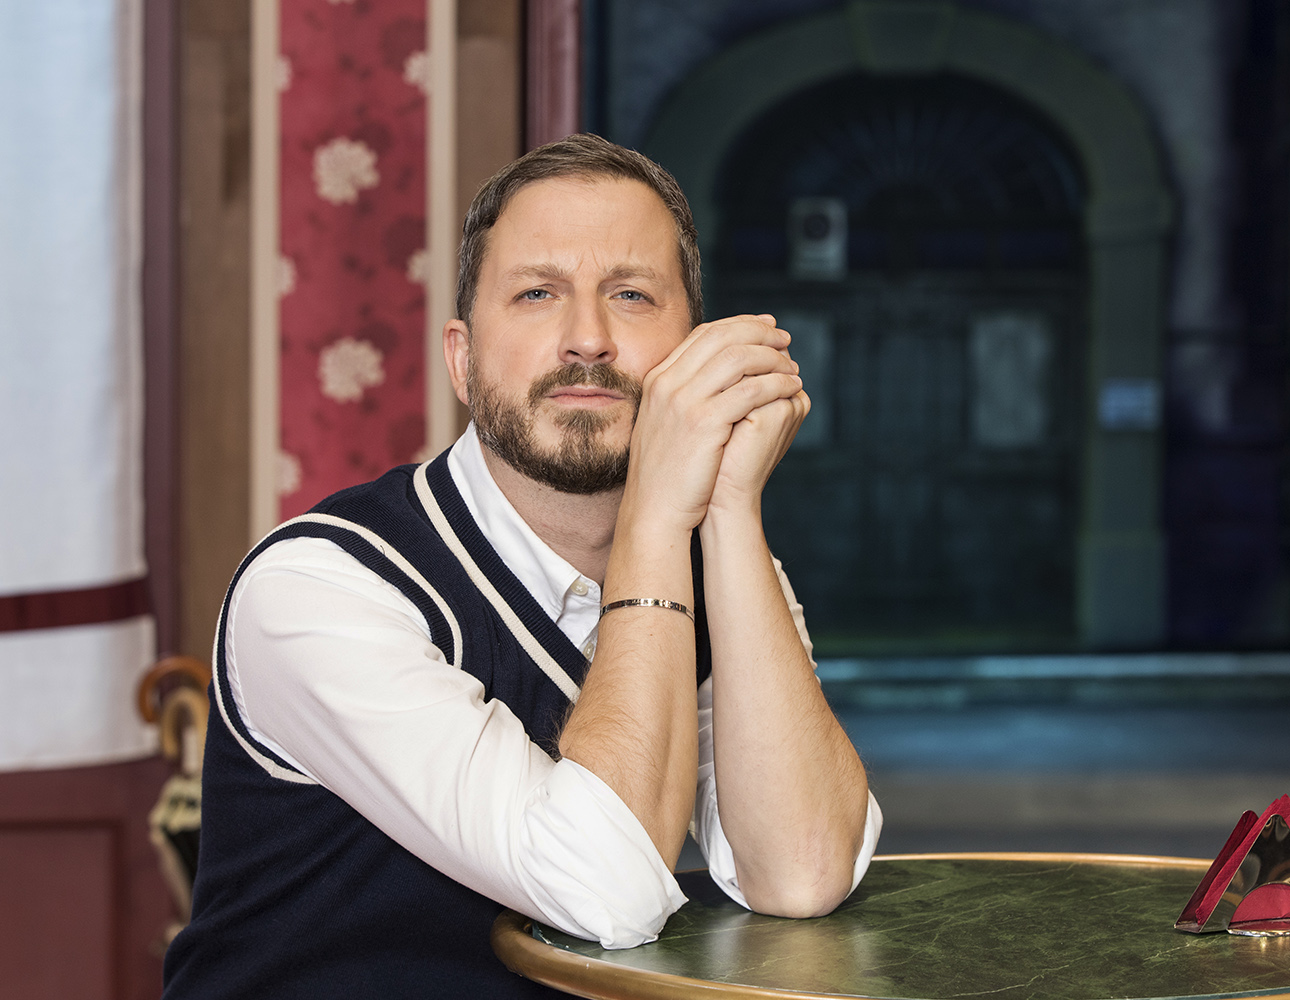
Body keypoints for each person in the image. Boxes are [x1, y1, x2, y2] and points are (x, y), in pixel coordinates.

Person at [162, 134, 881, 999]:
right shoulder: (317, 587)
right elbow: (605, 893)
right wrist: (657, 514)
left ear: (691, 355)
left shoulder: (714, 558)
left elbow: (802, 872)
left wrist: (728, 505)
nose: (588, 339)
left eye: (632, 294)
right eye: (538, 294)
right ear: (463, 361)